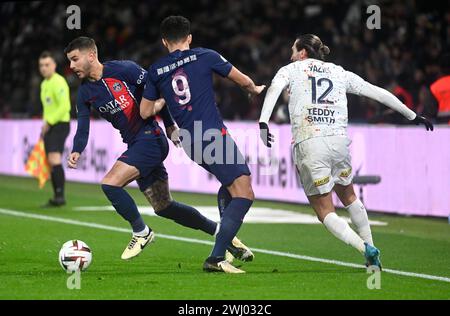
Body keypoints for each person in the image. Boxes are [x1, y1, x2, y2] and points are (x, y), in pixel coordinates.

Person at [64, 36, 252, 262]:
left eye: (75, 59)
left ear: (91, 55)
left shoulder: (125, 70)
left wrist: (170, 124)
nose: (71, 66)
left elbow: (158, 91)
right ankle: (222, 234)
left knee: (110, 184)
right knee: (164, 207)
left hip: (150, 139)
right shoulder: (85, 92)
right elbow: (83, 126)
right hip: (135, 143)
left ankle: (141, 232)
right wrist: (77, 149)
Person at [258, 34, 434, 270]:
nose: (290, 55)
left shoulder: (291, 69)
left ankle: (366, 249)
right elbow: (377, 92)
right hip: (339, 142)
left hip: (310, 142)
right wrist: (412, 115)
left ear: (302, 53)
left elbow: (273, 90)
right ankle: (371, 255)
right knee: (349, 196)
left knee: (324, 210)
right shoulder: (340, 72)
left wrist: (263, 122)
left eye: (293, 50)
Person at [140, 16, 266, 273]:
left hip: (189, 140)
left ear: (164, 41)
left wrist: (163, 102)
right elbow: (243, 81)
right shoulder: (205, 55)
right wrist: (256, 88)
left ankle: (225, 236)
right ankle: (217, 256)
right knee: (245, 193)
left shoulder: (155, 70)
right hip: (212, 135)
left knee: (230, 187)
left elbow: (144, 112)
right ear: (189, 37)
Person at [38, 51, 71, 207]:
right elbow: (48, 108)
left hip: (60, 124)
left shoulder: (59, 82)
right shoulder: (44, 84)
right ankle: (57, 195)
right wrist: (46, 124)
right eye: (41, 65)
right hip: (50, 125)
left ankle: (60, 196)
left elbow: (65, 106)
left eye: (47, 65)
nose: (44, 68)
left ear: (54, 66)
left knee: (54, 159)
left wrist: (49, 122)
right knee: (51, 161)